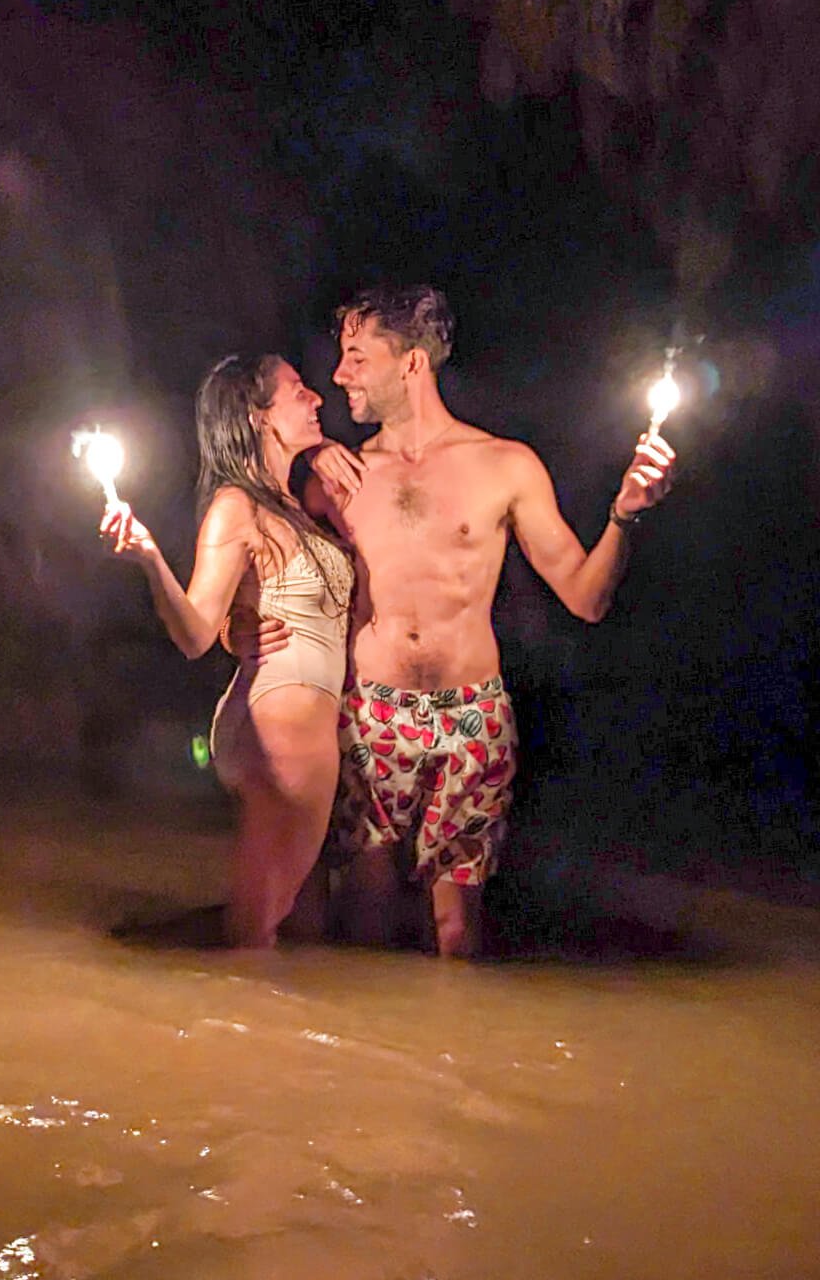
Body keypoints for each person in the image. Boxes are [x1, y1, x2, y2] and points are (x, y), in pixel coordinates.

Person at [246, 286, 676, 958]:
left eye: (357, 357)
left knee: (456, 932)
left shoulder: (507, 465)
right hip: (373, 717)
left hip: (473, 719)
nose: (339, 375)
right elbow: (249, 538)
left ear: (411, 364)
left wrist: (626, 513)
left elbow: (586, 599)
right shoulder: (342, 474)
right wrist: (302, 457)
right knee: (366, 918)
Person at [101, 354, 354, 948]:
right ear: (256, 414)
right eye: (297, 392)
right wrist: (149, 558)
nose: (316, 398)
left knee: (274, 913)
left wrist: (315, 454)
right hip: (281, 728)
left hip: (288, 722)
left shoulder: (289, 505)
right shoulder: (236, 507)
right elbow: (194, 634)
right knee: (255, 930)